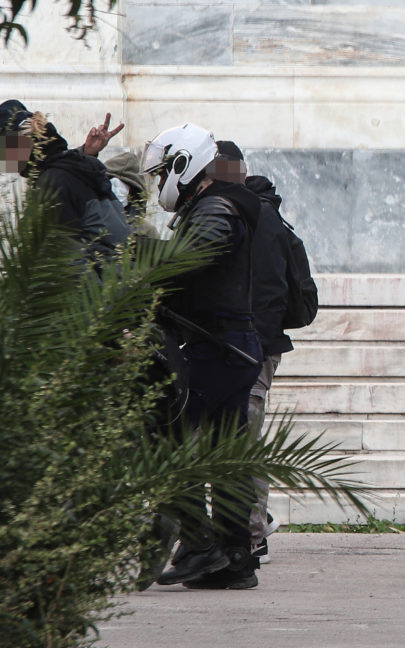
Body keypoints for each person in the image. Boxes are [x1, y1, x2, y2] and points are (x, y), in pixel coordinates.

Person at [140, 123, 266, 589]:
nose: (158, 185)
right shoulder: (219, 204)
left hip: (216, 348)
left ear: (184, 165)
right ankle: (234, 560)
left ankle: (199, 544)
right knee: (226, 455)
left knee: (167, 442)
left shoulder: (216, 208)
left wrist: (139, 252)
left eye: (161, 175)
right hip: (229, 346)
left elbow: (193, 258)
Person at [207, 140, 291, 563]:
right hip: (243, 345)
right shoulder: (255, 216)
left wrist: (255, 337)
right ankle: (247, 525)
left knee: (242, 437)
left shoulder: (255, 219)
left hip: (249, 346)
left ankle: (252, 533)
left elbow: (280, 290)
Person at [0, 100, 131, 261]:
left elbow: (67, 263)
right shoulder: (74, 169)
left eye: (1, 154)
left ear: (17, 144)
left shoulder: (51, 185)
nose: (4, 164)